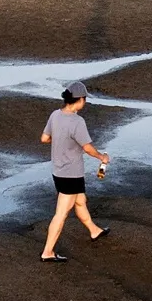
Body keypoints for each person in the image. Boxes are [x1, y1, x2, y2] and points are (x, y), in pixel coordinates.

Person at [40, 81, 110, 261]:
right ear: (79, 100)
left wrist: (61, 142)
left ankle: (94, 231)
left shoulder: (55, 115)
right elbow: (87, 148)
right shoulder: (78, 122)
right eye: (84, 99)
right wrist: (102, 157)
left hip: (58, 171)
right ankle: (47, 252)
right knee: (61, 214)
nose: (85, 102)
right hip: (70, 173)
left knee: (80, 201)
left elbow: (44, 138)